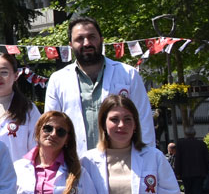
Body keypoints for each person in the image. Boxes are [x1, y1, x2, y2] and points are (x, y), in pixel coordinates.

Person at [45, 16, 155, 150]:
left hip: (121, 160)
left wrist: (147, 160)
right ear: (70, 45)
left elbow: (144, 121)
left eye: (92, 37)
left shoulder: (128, 74)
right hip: (76, 162)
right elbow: (51, 125)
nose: (86, 43)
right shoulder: (58, 80)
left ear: (102, 40)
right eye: (79, 39)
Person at [0, 52, 41, 160]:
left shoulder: (28, 109)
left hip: (19, 174)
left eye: (4, 72)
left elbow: (36, 149)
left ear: (15, 76)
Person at [175, 128, 209, 194]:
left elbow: (178, 159)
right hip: (199, 172)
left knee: (188, 190)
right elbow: (206, 159)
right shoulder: (201, 144)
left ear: (185, 134)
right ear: (194, 134)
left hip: (186, 172)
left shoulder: (180, 144)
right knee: (197, 191)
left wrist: (177, 172)